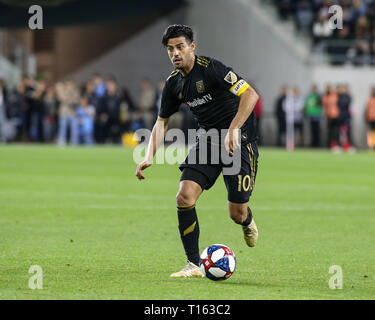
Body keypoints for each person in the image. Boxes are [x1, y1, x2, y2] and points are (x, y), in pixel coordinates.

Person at [135, 24, 260, 278]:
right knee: (184, 196)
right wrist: (149, 155)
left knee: (236, 213)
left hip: (239, 140)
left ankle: (247, 221)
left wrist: (235, 128)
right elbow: (162, 121)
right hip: (209, 140)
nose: (175, 53)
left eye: (180, 47)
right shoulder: (173, 84)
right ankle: (193, 265)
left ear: (192, 46)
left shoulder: (211, 68)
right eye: (170, 49)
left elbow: (250, 95)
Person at [322, 84, 340, 151]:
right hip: (329, 116)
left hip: (336, 116)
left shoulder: (335, 95)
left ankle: (336, 145)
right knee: (329, 131)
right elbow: (324, 105)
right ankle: (329, 145)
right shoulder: (325, 96)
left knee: (336, 131)